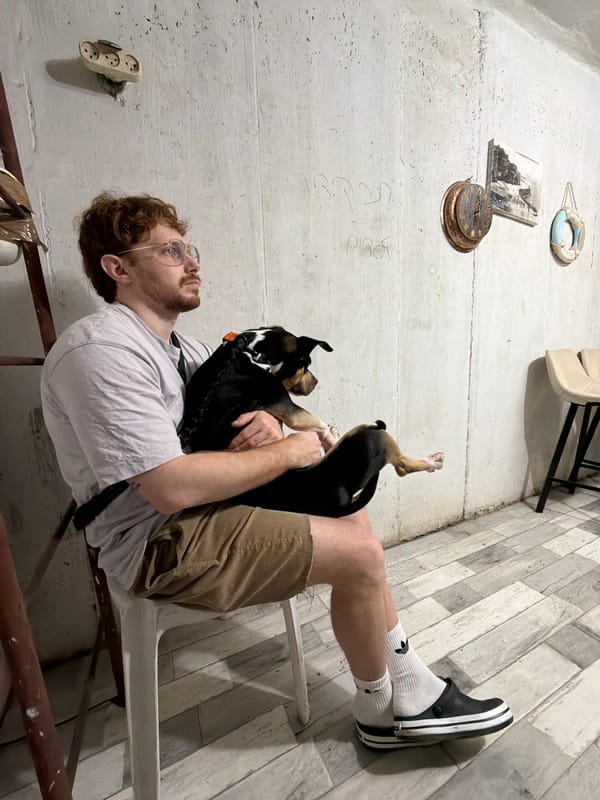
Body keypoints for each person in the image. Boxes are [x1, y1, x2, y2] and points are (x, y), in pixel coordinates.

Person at [41, 192, 512, 750]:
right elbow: (170, 487)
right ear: (117, 268)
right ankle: (386, 710)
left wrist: (269, 425)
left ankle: (400, 691)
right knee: (361, 554)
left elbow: (241, 423)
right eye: (170, 251)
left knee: (352, 517)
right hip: (158, 542)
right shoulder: (101, 350)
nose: (192, 263)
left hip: (208, 510)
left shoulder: (187, 350)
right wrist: (290, 452)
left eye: (190, 249)